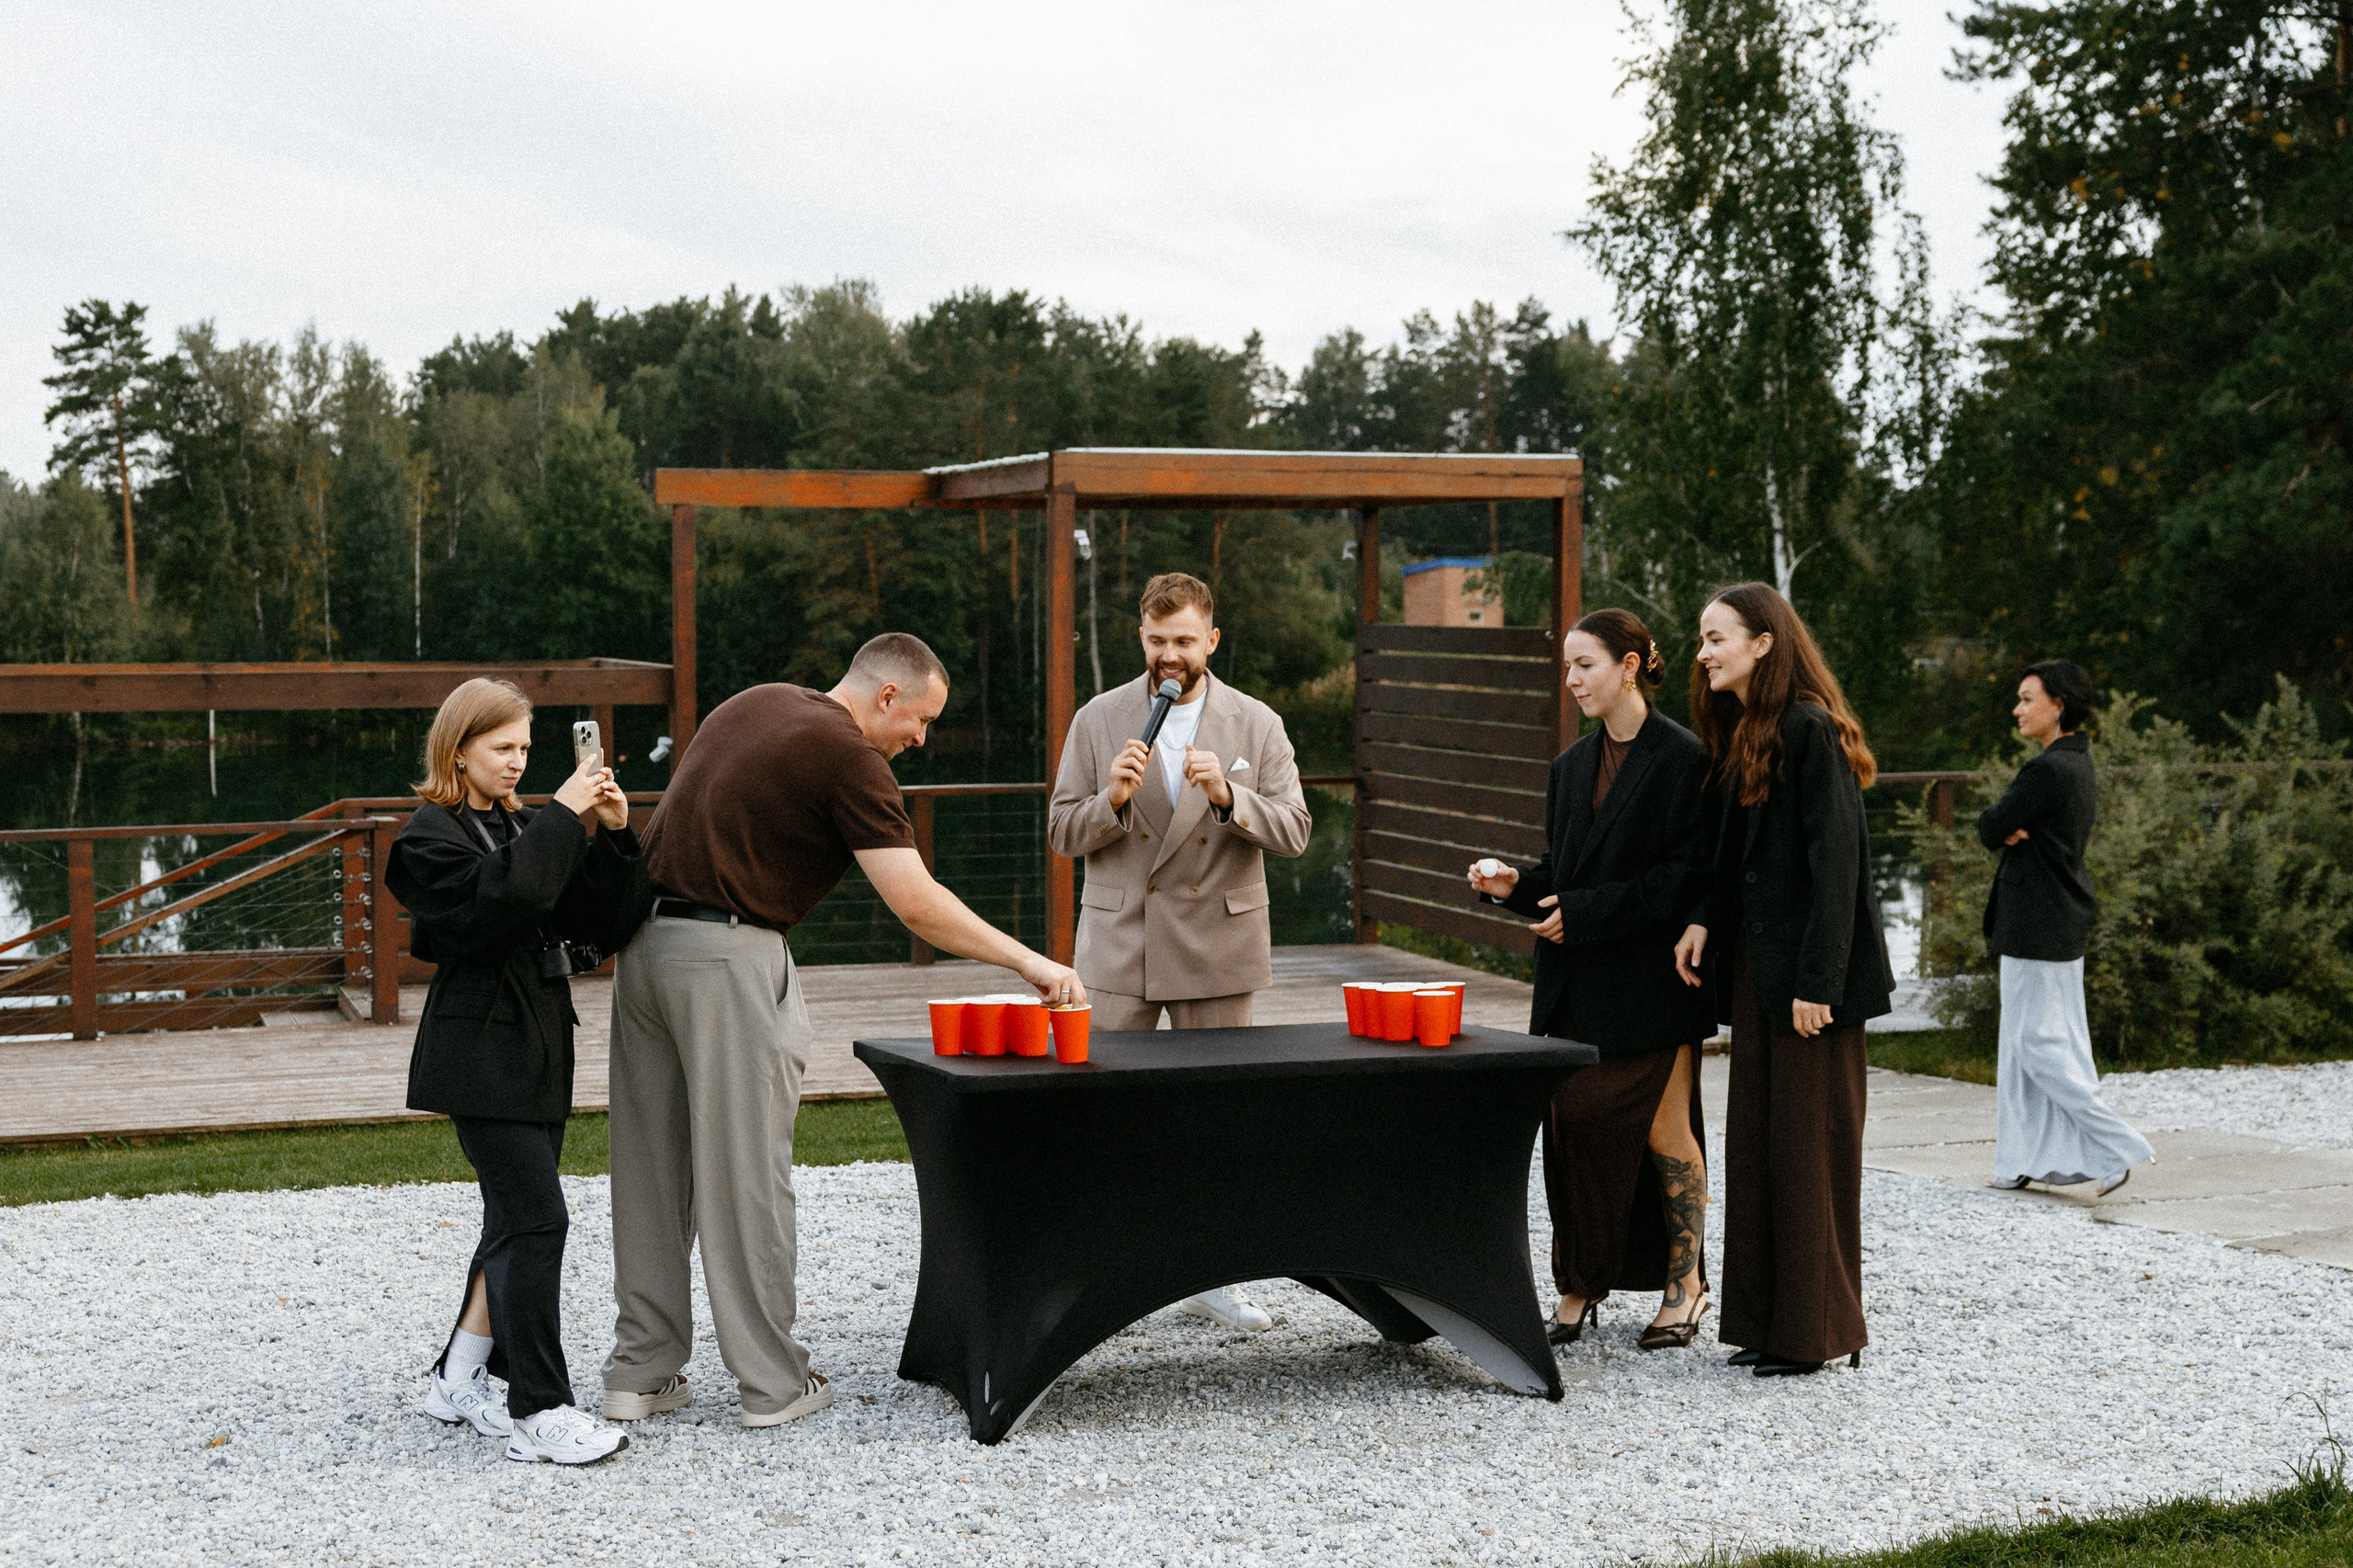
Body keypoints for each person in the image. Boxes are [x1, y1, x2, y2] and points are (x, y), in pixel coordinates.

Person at [601, 632, 1086, 1429]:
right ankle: (773, 1385)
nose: (920, 739)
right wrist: (1030, 962)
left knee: (649, 1172)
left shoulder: (755, 703)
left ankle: (638, 1373)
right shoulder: (851, 757)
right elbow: (916, 903)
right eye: (921, 719)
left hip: (643, 951)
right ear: (887, 696)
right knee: (747, 1174)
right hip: (728, 957)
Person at [390, 677, 649, 1466]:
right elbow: (506, 898)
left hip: (537, 1047)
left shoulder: (523, 826)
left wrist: (613, 837)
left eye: (526, 748)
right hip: (478, 1055)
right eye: (502, 747)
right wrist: (566, 815)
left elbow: (602, 922)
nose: (517, 762)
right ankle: (539, 1409)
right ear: (458, 750)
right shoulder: (424, 842)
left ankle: (457, 1379)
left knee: (512, 1220)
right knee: (539, 1219)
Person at [1047, 572, 1313, 1335]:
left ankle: (1211, 1277)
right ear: (1141, 637)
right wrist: (1110, 802)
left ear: (1212, 641)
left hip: (1217, 945)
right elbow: (1061, 830)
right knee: (1100, 1121)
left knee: (1217, 1124)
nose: (1171, 655)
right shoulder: (1098, 719)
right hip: (1119, 944)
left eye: (1185, 641)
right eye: (1158, 640)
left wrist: (1229, 799)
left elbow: (1296, 830)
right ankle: (1093, 1281)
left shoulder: (1256, 722)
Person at [1468, 608, 1715, 1351]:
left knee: (1666, 1133)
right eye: (1568, 666)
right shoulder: (1570, 766)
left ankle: (1687, 1286)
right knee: (1570, 1131)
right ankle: (1580, 1284)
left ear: (1630, 666)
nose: (1572, 680)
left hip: (1653, 984)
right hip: (1574, 985)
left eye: (1586, 665)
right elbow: (1565, 876)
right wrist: (1514, 886)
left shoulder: (1684, 759)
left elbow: (1681, 881)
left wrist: (1580, 913)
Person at [1673, 583, 1893, 1379]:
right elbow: (1734, 857)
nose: (1703, 653)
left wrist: (1818, 984)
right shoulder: (1750, 732)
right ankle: (1767, 1324)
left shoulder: (1809, 728)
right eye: (1702, 638)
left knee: (1808, 1153)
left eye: (1716, 638)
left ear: (1764, 642)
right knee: (1762, 1149)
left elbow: (1838, 869)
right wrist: (1704, 919)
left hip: (1808, 991)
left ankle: (1814, 1333)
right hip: (1763, 982)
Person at [1979, 660, 2153, 1196]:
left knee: (2038, 1045)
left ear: (2058, 705)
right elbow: (2003, 827)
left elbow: (1989, 826)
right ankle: (2020, 1160)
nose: (2018, 709)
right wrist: (2010, 829)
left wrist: (2008, 829)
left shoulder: (2048, 771)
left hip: (2039, 924)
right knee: (2028, 1047)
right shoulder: (2075, 763)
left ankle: (2119, 1146)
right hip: (2052, 921)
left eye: (2027, 699)